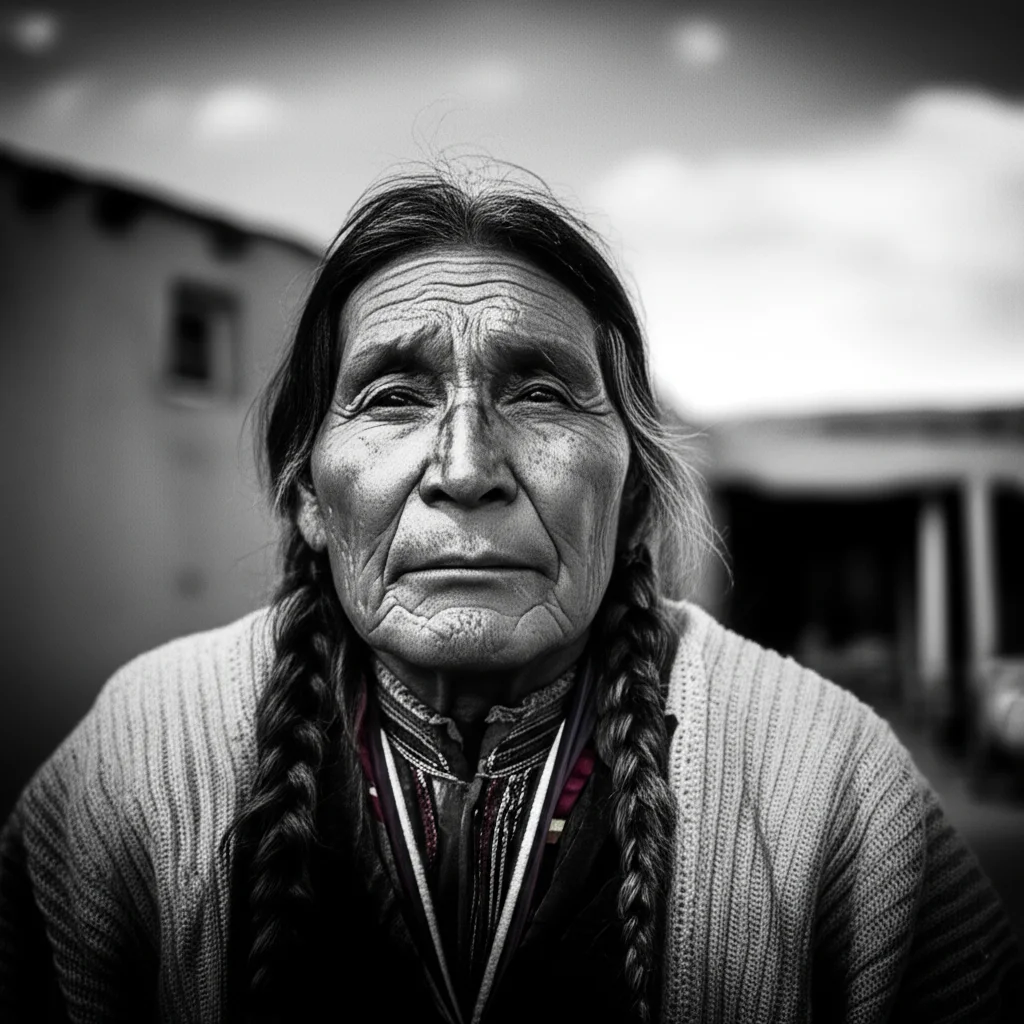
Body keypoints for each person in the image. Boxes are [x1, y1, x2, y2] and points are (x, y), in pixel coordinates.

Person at [0, 170, 1020, 1024]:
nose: (466, 465)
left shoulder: (829, 788)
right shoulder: (140, 760)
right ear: (308, 492)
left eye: (538, 391)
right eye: (394, 396)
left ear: (631, 494)